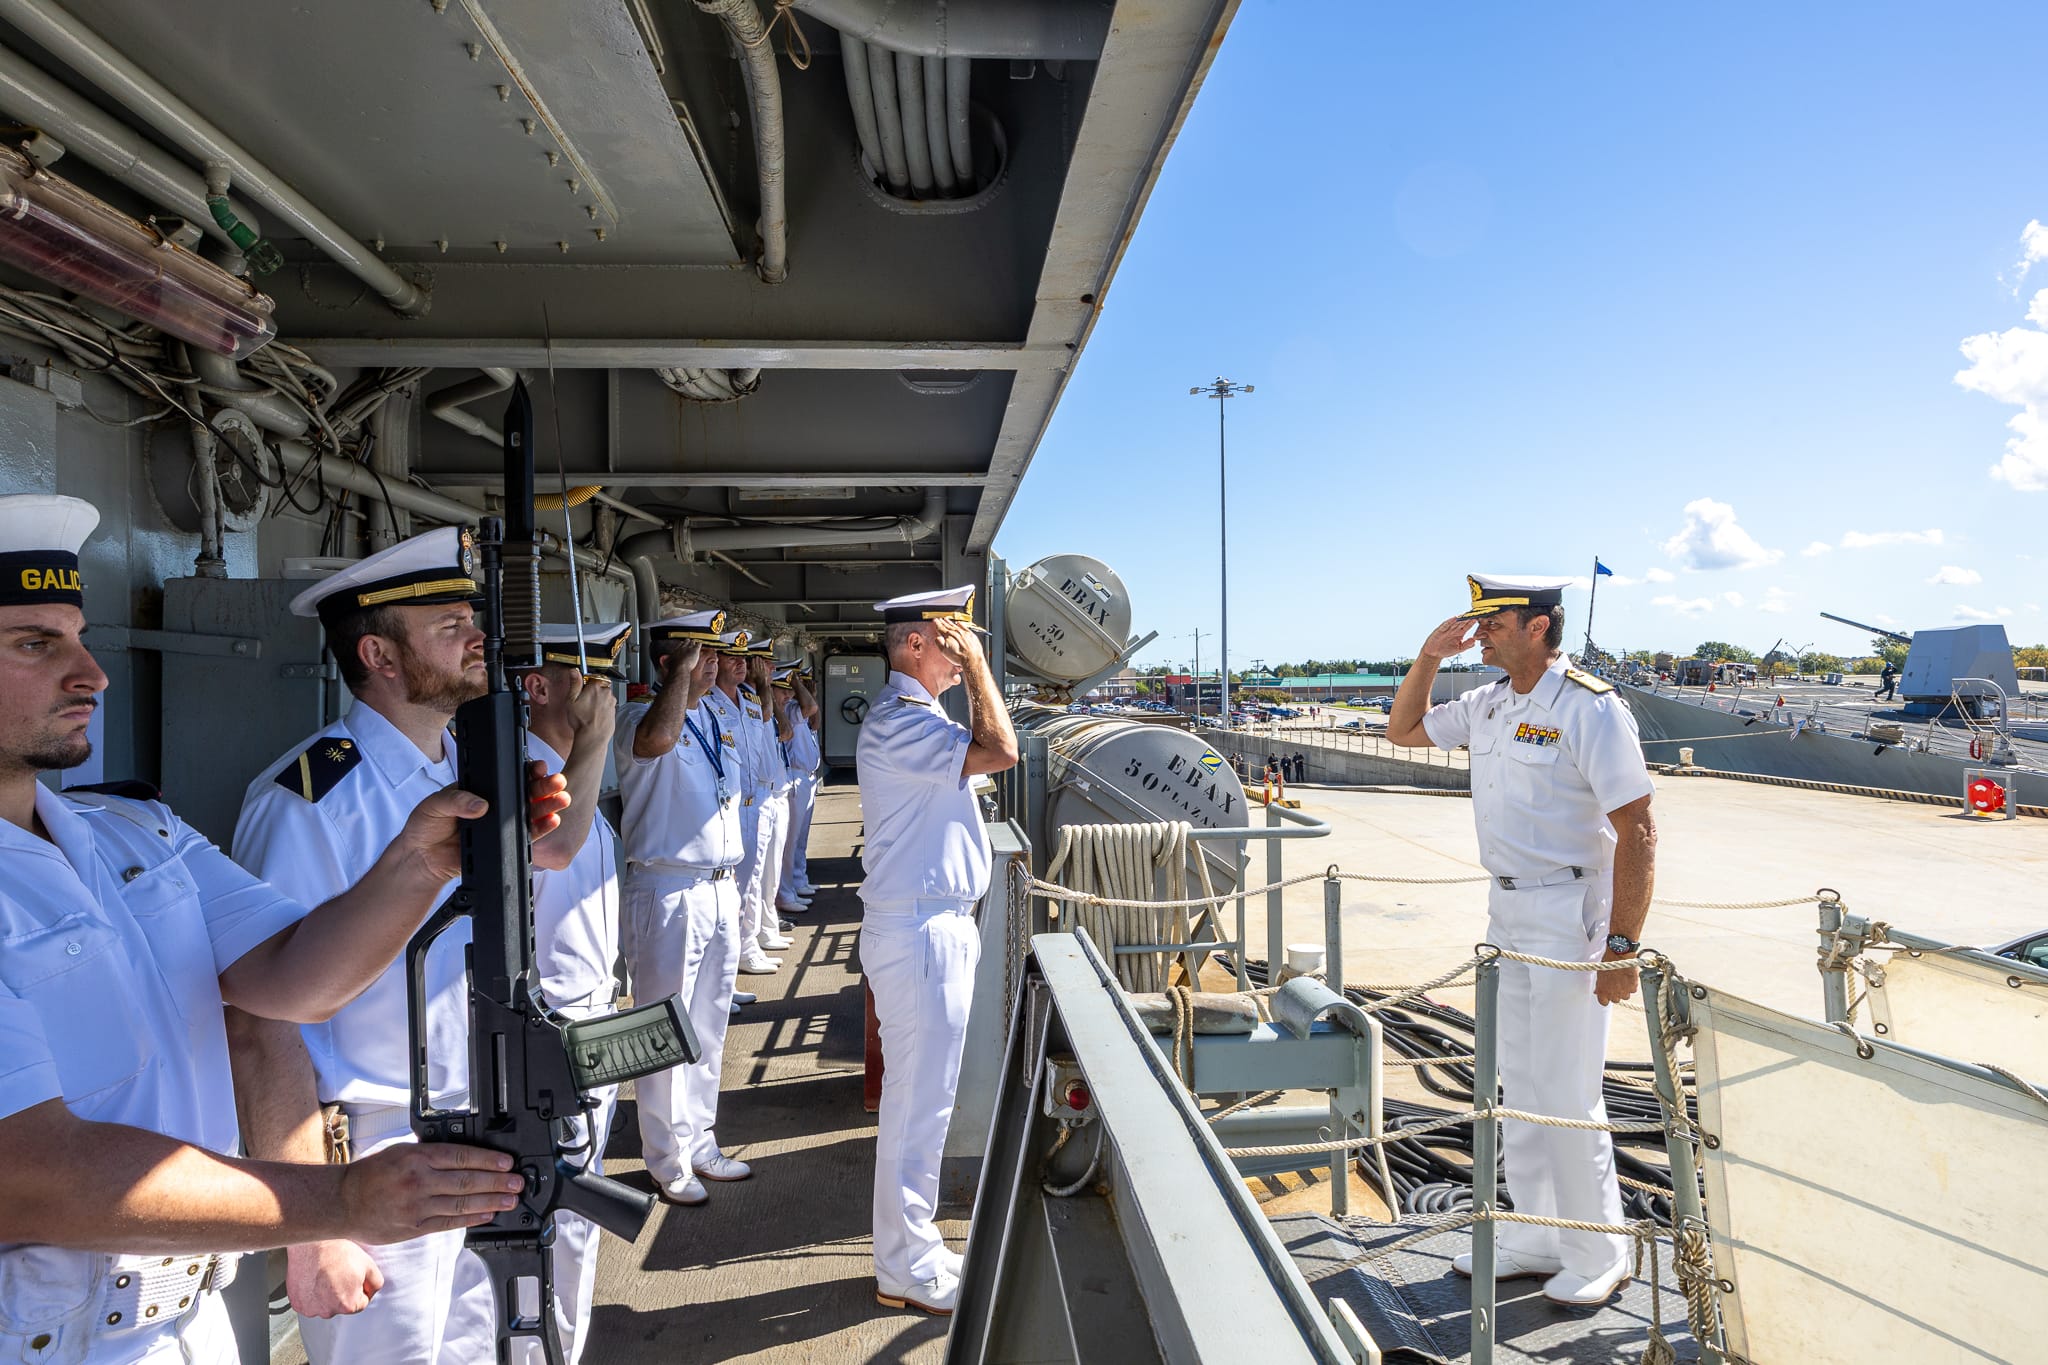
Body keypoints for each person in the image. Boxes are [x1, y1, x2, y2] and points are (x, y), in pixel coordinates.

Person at [0, 496, 551, 1365]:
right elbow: (27, 1171)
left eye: (77, 636)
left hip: (190, 1317)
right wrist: (333, 1202)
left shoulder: (132, 833)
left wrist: (423, 860)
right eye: (36, 644)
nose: (92, 674)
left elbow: (290, 979)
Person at [232, 527, 594, 1364]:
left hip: (485, 1132)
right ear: (378, 654)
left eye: (471, 617)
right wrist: (312, 1220)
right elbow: (260, 1019)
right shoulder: (310, 800)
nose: (477, 637)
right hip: (373, 1152)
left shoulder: (461, 780)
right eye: (446, 625)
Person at [1386, 574, 1657, 1307]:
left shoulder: (1590, 708)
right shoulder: (1489, 703)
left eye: (1495, 620)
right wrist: (1429, 658)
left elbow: (1637, 826)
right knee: (1522, 1084)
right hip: (1506, 912)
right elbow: (1403, 730)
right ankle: (1537, 1232)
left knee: (1568, 1090)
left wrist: (1623, 945)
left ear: (1538, 626)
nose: (1484, 631)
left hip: (1572, 913)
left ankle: (1601, 1248)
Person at [856, 586, 1018, 1316]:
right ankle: (904, 1265)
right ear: (916, 643)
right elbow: (1004, 751)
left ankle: (912, 1247)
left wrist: (972, 668)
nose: (959, 658)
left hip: (931, 926)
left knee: (925, 1101)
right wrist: (983, 668)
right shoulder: (899, 722)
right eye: (951, 642)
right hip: (921, 932)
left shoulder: (916, 720)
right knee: (917, 1107)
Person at [613, 611, 752, 1208]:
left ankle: (700, 1139)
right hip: (667, 889)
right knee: (663, 1029)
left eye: (715, 657)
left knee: (708, 1028)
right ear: (669, 664)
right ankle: (666, 1158)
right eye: (699, 657)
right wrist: (681, 678)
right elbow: (656, 741)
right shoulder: (639, 719)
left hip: (719, 887)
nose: (713, 665)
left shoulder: (711, 719)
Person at [521, 621, 629, 1363]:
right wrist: (594, 739)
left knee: (580, 1223)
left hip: (594, 1017)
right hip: (549, 1027)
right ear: (537, 686)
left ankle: (567, 1347)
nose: (603, 696)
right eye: (586, 679)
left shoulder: (572, 769)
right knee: (549, 1221)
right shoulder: (524, 776)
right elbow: (555, 846)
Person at [706, 635, 784, 974]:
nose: (740, 663)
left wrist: (762, 684)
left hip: (758, 804)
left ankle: (747, 945)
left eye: (743, 658)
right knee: (730, 887)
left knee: (751, 880)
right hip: (729, 808)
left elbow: (768, 722)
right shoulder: (706, 704)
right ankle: (731, 956)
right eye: (730, 657)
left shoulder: (751, 702)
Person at [774, 662, 823, 910]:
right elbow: (810, 708)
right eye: (784, 689)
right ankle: (786, 891)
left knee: (799, 839)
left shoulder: (793, 707)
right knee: (788, 842)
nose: (789, 695)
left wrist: (807, 689)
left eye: (792, 689)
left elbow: (815, 720)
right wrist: (796, 682)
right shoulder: (792, 711)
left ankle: (797, 881)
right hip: (792, 776)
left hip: (805, 776)